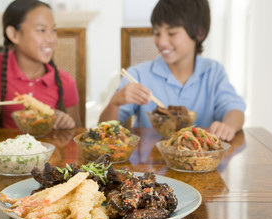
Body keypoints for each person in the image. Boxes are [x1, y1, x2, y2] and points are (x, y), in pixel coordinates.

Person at [99, 0, 246, 142]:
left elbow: (234, 110)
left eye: (172, 33)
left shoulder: (213, 72)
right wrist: (114, 103)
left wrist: (228, 127)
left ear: (199, 33)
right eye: (157, 33)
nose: (161, 42)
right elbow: (104, 129)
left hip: (201, 162)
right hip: (149, 162)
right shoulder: (138, 75)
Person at [0, 0, 81, 130]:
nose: (51, 39)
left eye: (53, 30)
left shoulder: (65, 82)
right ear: (13, 34)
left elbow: (78, 134)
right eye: (41, 30)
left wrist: (67, 125)